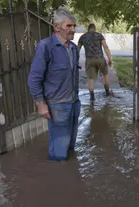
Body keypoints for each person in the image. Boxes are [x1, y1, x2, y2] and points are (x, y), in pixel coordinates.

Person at [27, 7, 80, 161]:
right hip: (58, 106)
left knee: (70, 146)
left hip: (74, 103)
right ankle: (58, 177)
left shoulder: (73, 48)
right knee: (59, 152)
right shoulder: (46, 46)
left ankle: (70, 179)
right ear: (56, 27)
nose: (73, 29)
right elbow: (34, 79)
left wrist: (76, 100)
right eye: (68, 26)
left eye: (74, 26)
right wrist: (40, 104)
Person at [77, 23, 113, 101]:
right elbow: (105, 46)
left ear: (88, 29)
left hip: (90, 60)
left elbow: (78, 49)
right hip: (100, 58)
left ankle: (92, 97)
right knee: (105, 75)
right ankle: (107, 93)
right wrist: (110, 58)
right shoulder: (99, 35)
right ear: (95, 28)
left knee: (91, 79)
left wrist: (75, 60)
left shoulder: (83, 37)